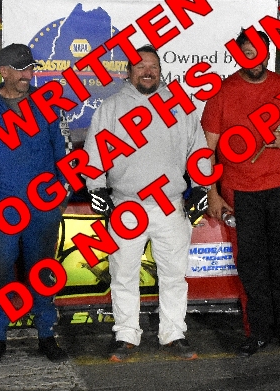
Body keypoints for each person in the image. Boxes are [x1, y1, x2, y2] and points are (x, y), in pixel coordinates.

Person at [85, 45, 211, 361]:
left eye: (153, 66)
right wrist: (96, 187)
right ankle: (126, 335)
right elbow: (95, 151)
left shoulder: (180, 106)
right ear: (129, 72)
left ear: (160, 71)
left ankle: (173, 334)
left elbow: (198, 149)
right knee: (123, 274)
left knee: (174, 275)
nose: (147, 71)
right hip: (126, 205)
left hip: (170, 205)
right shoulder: (112, 108)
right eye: (140, 66)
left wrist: (201, 187)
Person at [201, 30, 280, 357]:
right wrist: (212, 192)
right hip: (240, 192)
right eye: (246, 52)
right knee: (251, 265)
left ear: (267, 54)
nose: (253, 58)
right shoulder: (222, 93)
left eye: (258, 52)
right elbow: (206, 149)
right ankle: (258, 333)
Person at [0, 43, 70, 364]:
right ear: (4, 71)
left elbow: (63, 152)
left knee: (42, 270)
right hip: (1, 206)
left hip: (43, 205)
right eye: (21, 70)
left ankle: (46, 335)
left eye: (30, 68)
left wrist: (62, 193)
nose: (28, 75)